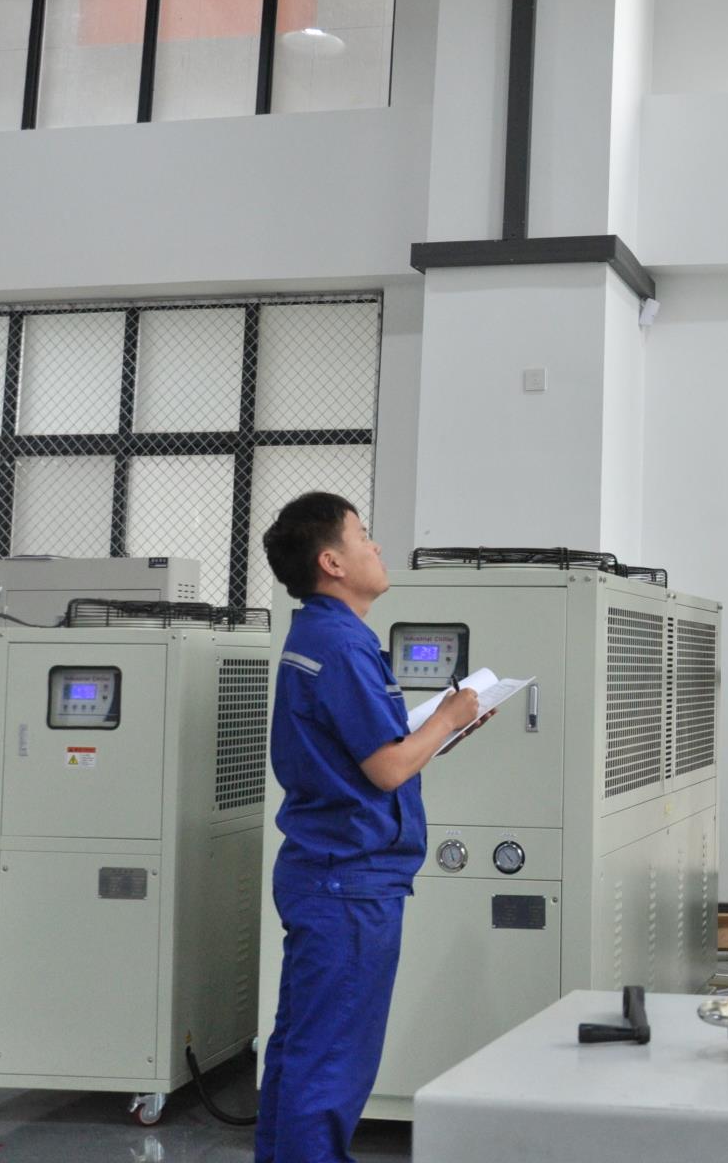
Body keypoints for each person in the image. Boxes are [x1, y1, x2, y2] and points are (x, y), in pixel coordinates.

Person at [254, 492, 484, 1163]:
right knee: (332, 1061)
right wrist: (448, 717)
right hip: (349, 882)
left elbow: (366, 753)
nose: (376, 547)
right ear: (332, 562)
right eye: (363, 537)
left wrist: (444, 730)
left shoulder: (317, 633)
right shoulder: (344, 644)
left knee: (302, 1048)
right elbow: (386, 769)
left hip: (323, 870)